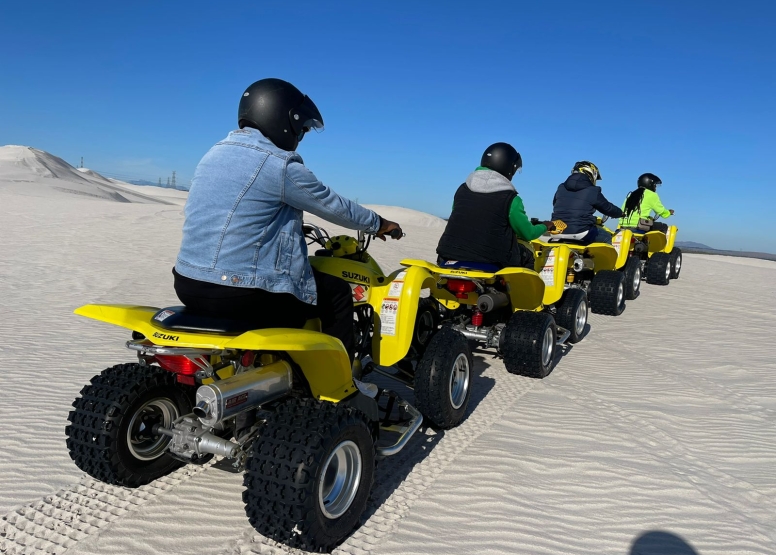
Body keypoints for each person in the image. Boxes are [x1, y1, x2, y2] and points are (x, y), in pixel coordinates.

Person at [173, 78, 402, 365]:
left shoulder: (214, 153)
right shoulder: (278, 164)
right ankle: (339, 381)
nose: (300, 135)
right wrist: (378, 223)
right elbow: (332, 205)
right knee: (337, 293)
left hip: (188, 282)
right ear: (283, 120)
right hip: (239, 289)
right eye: (301, 129)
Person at [436, 142, 554, 270]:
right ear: (509, 168)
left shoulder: (462, 190)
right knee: (528, 254)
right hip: (492, 259)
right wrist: (546, 226)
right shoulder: (511, 199)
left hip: (447, 255)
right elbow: (528, 233)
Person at [550, 161, 623, 244]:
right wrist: (620, 213)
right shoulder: (593, 190)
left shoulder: (561, 187)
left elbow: (555, 204)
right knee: (607, 238)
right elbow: (608, 208)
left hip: (556, 230)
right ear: (591, 174)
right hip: (580, 231)